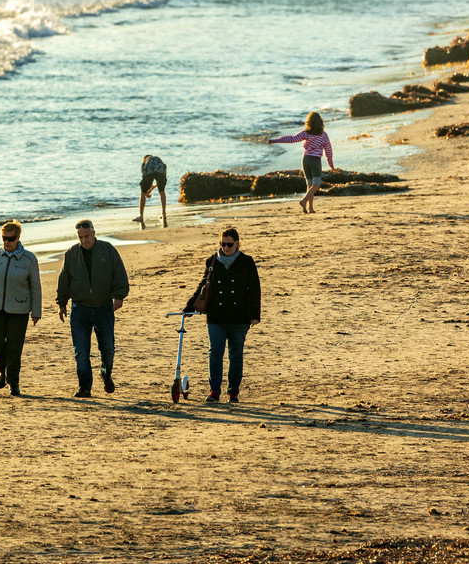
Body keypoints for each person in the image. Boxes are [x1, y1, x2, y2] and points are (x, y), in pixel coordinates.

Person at [183, 228, 261, 403]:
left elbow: (255, 289)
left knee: (236, 354)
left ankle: (233, 391)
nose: (226, 248)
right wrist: (190, 305)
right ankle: (214, 391)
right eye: (223, 244)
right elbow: (203, 284)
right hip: (216, 316)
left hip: (239, 316)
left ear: (237, 243)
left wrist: (255, 314)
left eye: (229, 244)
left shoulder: (247, 262)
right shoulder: (212, 261)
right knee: (215, 353)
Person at [55, 219, 129, 398]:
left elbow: (119, 273)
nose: (84, 240)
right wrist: (61, 304)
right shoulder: (71, 253)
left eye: (87, 236)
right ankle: (84, 387)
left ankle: (106, 374)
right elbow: (64, 279)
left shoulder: (108, 249)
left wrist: (119, 296)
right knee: (81, 351)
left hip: (104, 308)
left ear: (94, 234)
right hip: (79, 309)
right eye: (81, 237)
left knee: (108, 349)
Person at [0, 221, 43, 397]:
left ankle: (13, 382)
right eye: (4, 238)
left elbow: (36, 287)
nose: (6, 242)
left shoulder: (29, 259)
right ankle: (4, 371)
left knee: (14, 347)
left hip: (20, 309)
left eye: (10, 239)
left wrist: (36, 311)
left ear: (18, 238)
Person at [268, 112, 334, 214]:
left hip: (305, 159)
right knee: (316, 184)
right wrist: (330, 163)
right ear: (321, 123)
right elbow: (328, 150)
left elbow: (291, 139)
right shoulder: (323, 135)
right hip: (315, 160)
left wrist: (274, 140)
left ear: (308, 123)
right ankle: (304, 201)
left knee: (310, 184)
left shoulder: (305, 133)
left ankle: (310, 208)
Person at [134, 154, 168, 229]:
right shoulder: (157, 159)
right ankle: (163, 214)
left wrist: (146, 191)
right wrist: (151, 188)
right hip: (161, 169)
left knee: (142, 192)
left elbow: (146, 177)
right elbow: (159, 179)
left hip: (150, 168)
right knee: (162, 191)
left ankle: (140, 216)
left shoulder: (146, 162)